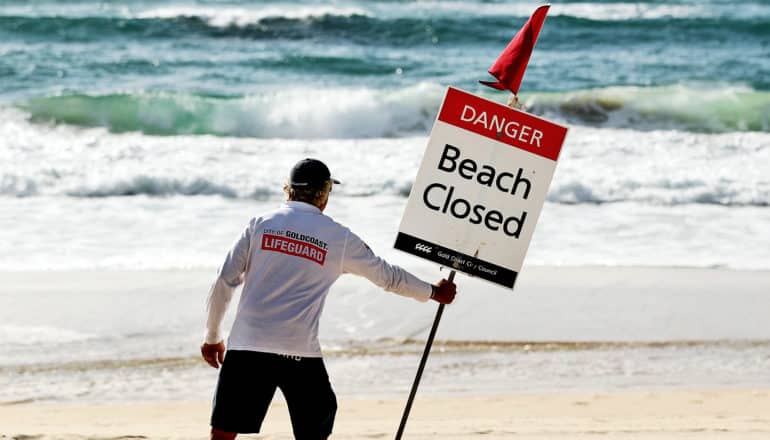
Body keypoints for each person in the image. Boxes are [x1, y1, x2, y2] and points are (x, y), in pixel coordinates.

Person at [201, 158, 457, 440]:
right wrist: (433, 291)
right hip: (298, 349)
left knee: (225, 429)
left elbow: (224, 280)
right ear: (324, 194)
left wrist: (213, 335)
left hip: (248, 343)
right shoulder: (338, 237)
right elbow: (387, 277)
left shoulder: (260, 225)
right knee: (315, 428)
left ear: (288, 190)